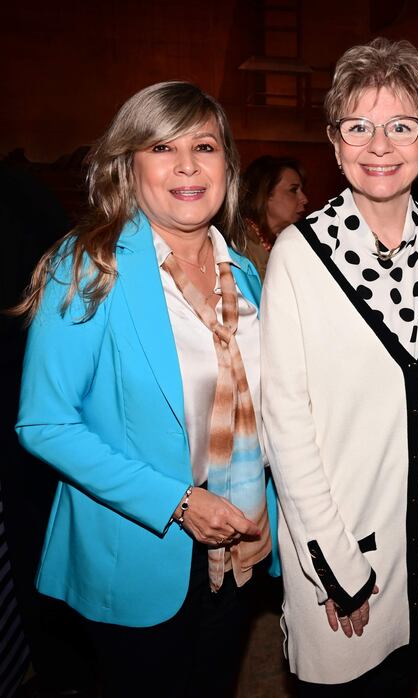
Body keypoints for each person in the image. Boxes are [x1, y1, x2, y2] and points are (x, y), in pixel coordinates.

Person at [14, 81, 278, 698]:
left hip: (237, 538)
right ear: (128, 166)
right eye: (162, 147)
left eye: (205, 146)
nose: (187, 164)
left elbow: (263, 410)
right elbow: (44, 424)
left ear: (226, 166)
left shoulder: (245, 273)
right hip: (137, 544)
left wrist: (268, 502)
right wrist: (178, 501)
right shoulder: (87, 267)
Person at [260, 37, 418, 694]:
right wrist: (336, 566)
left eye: (401, 126)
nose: (379, 145)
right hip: (341, 546)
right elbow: (285, 425)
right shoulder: (299, 254)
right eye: (359, 125)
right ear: (335, 142)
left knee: (404, 673)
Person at [240, 155, 308, 278]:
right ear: (266, 194)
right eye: (293, 190)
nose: (304, 199)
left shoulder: (289, 243)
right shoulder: (240, 245)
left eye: (301, 191)